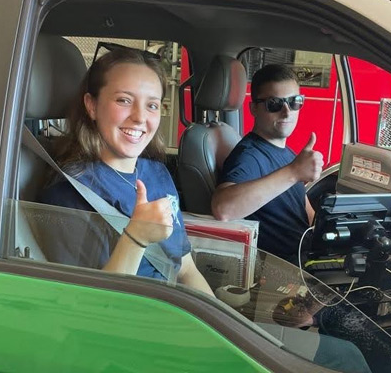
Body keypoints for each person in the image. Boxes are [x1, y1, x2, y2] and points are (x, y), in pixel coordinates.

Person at [39, 46, 213, 296]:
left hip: (175, 311)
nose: (140, 117)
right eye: (124, 100)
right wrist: (136, 238)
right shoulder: (70, 193)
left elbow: (185, 269)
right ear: (92, 106)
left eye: (152, 105)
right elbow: (88, 305)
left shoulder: (157, 173)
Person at [211, 64, 324, 264]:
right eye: (274, 103)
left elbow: (306, 214)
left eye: (295, 102)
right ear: (253, 108)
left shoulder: (289, 155)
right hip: (283, 268)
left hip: (308, 259)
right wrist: (294, 172)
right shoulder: (249, 156)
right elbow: (224, 209)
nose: (287, 112)